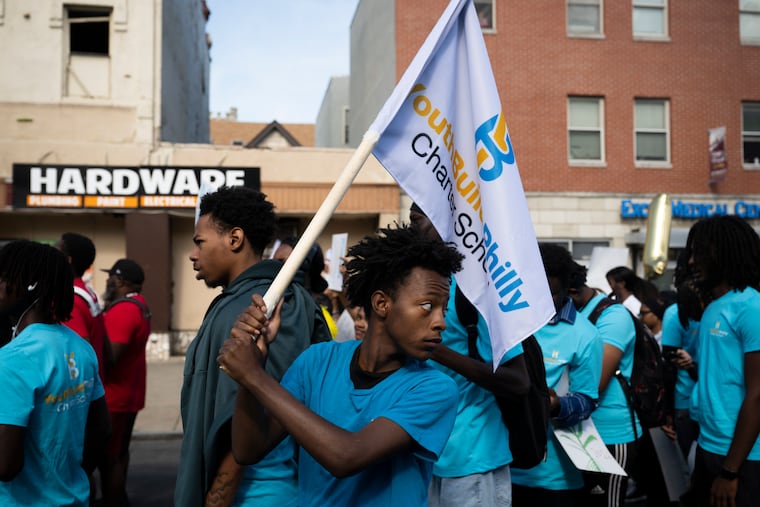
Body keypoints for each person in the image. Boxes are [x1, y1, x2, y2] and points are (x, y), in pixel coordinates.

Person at [217, 223, 462, 506]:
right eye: (427, 306)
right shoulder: (317, 361)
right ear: (382, 304)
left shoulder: (435, 389)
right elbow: (249, 450)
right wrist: (251, 372)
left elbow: (347, 456)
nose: (440, 322)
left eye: (444, 309)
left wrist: (254, 376)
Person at [175, 185, 331, 507]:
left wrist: (217, 499)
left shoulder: (270, 305)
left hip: (259, 494)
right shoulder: (236, 302)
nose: (193, 254)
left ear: (234, 239)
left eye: (199, 243)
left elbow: (255, 412)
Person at [409, 202, 530, 507]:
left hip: (472, 456)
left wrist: (435, 350)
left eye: (417, 218)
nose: (411, 226)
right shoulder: (417, 286)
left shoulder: (478, 292)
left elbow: (518, 381)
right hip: (425, 452)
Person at [0, 240, 110, 506]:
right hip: (74, 498)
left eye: (3, 278)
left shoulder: (13, 359)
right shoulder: (80, 347)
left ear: (29, 286)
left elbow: (5, 466)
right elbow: (101, 431)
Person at [511, 243, 603, 507]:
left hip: (553, 478)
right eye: (534, 289)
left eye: (550, 292)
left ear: (567, 290)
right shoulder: (510, 323)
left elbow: (587, 401)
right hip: (500, 465)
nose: (540, 298)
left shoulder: (585, 335)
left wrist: (556, 404)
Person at [681, 215, 760, 507]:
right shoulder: (714, 307)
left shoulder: (752, 307)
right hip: (708, 448)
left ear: (725, 253)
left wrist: (730, 471)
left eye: (699, 253)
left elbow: (758, 394)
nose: (691, 262)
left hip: (744, 459)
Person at [567, 260, 639, 507]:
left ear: (572, 292)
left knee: (607, 502)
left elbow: (595, 382)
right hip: (577, 429)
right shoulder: (574, 313)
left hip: (610, 431)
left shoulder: (613, 315)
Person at [99, 258, 151, 507]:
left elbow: (112, 357)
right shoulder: (137, 304)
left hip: (115, 396)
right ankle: (118, 498)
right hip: (129, 392)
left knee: (110, 457)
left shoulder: (124, 310)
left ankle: (114, 500)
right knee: (119, 452)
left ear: (120, 280)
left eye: (111, 277)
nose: (107, 280)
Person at [56, 232, 111, 382]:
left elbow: (79, 351)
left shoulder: (69, 297)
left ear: (67, 260)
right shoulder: (86, 291)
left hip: (78, 391)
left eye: (56, 250)